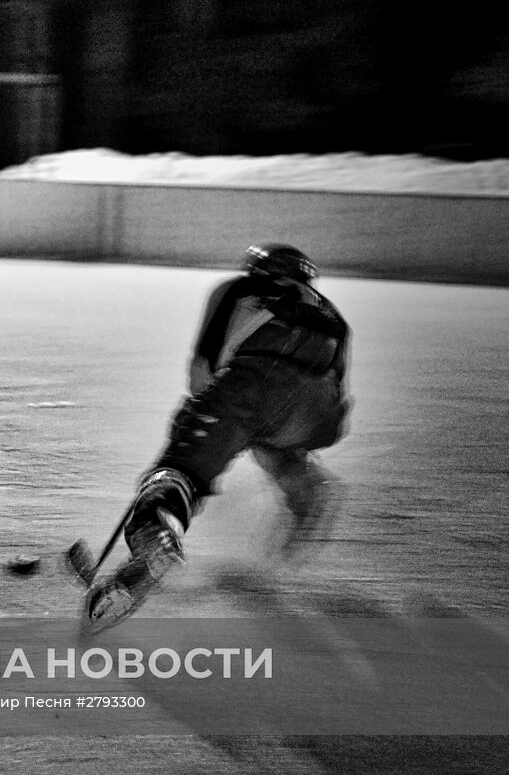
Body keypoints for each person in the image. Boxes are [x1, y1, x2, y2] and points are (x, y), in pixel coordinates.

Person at [74, 243, 352, 633]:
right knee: (269, 437)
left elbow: (203, 369)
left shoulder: (240, 289)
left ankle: (156, 539)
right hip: (319, 411)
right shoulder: (332, 315)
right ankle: (305, 486)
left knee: (181, 470)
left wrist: (194, 417)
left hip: (254, 383)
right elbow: (332, 401)